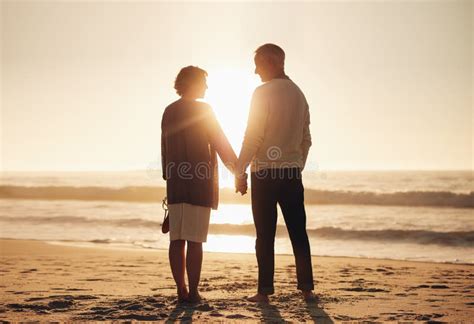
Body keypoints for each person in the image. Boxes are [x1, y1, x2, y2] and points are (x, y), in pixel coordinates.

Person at [235, 44, 315, 303]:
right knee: (298, 231)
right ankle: (306, 289)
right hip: (291, 173)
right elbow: (306, 139)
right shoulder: (299, 94)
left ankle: (264, 292)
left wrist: (240, 169)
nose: (255, 69)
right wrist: (296, 164)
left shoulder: (262, 92)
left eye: (257, 63)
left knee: (265, 234)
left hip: (265, 174)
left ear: (272, 62)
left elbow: (254, 135)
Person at [161, 66, 246, 303]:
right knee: (195, 240)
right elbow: (220, 142)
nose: (207, 87)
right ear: (194, 83)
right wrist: (238, 172)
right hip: (199, 183)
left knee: (177, 239)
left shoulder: (169, 111)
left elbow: (164, 149)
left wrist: (169, 178)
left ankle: (181, 290)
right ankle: (194, 292)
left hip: (177, 184)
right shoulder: (204, 110)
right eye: (204, 83)